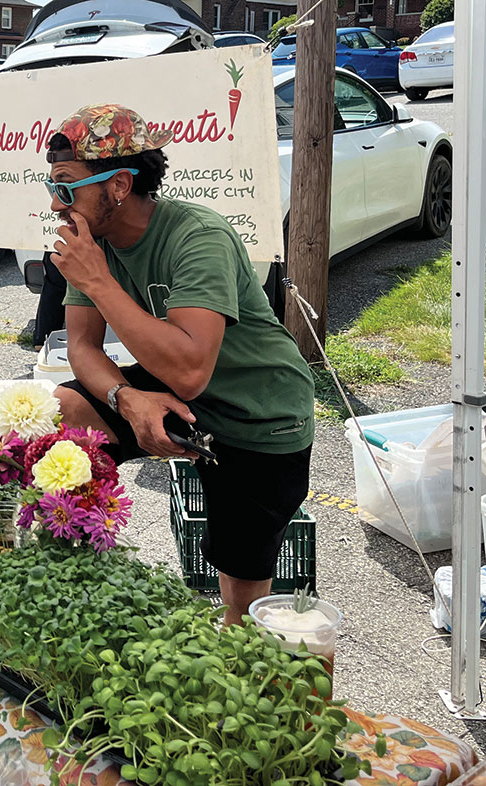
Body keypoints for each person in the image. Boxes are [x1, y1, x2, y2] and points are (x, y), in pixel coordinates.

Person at [45, 104, 314, 626]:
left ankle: (237, 661)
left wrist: (99, 281)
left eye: (65, 187)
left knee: (240, 583)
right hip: (177, 389)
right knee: (63, 409)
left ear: (119, 184)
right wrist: (128, 399)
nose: (56, 204)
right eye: (52, 186)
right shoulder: (91, 245)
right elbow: (82, 348)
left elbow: (191, 370)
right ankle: (75, 557)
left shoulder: (197, 236)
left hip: (259, 410)